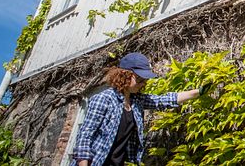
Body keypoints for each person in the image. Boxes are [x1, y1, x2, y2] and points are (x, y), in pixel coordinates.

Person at [72, 52, 204, 166]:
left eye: (144, 80)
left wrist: (199, 92)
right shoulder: (104, 99)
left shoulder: (137, 100)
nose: (143, 83)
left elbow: (164, 100)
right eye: (139, 79)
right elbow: (85, 136)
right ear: (124, 75)